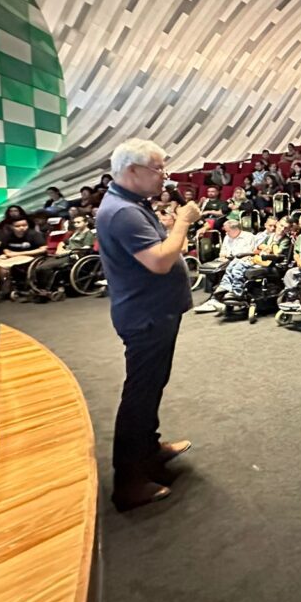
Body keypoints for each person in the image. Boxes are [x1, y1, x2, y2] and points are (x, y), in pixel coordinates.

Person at [94, 138, 200, 511]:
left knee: (151, 387)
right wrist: (182, 225)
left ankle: (149, 450)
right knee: (140, 395)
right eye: (158, 169)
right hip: (146, 316)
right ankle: (129, 480)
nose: (164, 177)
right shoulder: (123, 212)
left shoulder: (131, 204)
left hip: (152, 312)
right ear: (133, 171)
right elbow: (159, 261)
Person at [194, 220, 258, 312]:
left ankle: (218, 297)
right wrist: (223, 256)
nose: (226, 233)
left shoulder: (249, 237)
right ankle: (214, 296)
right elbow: (223, 251)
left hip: (241, 259)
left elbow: (247, 253)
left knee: (227, 268)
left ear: (235, 229)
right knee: (211, 267)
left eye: (228, 231)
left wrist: (230, 257)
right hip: (228, 258)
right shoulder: (227, 237)